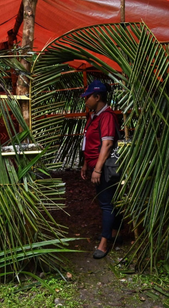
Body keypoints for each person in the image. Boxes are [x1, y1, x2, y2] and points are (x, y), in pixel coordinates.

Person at [80, 80, 122, 259]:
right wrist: (85, 164)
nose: (85, 100)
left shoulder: (107, 116)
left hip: (104, 168)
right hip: (95, 165)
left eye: (88, 97)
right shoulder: (94, 116)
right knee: (109, 200)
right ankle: (113, 232)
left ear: (97, 97)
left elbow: (107, 143)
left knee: (107, 204)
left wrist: (97, 169)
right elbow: (88, 141)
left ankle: (104, 244)